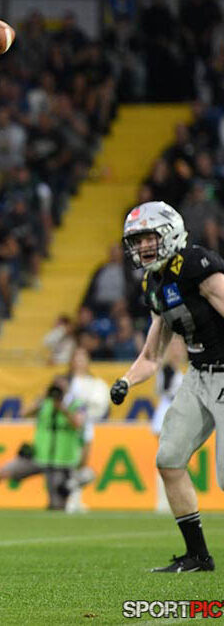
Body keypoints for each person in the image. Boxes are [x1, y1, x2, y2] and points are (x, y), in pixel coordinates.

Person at [110, 200, 224, 572]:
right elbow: (152, 354)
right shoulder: (154, 283)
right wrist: (126, 381)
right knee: (170, 458)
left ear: (170, 232)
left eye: (148, 238)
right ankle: (197, 556)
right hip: (199, 375)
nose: (142, 247)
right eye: (137, 240)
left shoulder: (195, 265)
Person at [0, 376, 86, 511]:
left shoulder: (75, 404)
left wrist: (62, 409)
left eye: (61, 387)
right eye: (55, 387)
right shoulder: (45, 403)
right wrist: (41, 400)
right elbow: (23, 413)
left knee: (57, 506)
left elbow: (78, 424)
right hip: (38, 455)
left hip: (61, 461)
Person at [61, 347, 109, 513]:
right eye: (77, 358)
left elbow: (100, 406)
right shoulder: (66, 381)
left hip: (86, 426)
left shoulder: (94, 383)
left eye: (83, 358)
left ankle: (77, 500)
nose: (80, 361)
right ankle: (67, 500)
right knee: (69, 462)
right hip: (68, 427)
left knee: (82, 463)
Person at [151, 338, 186, 514]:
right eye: (174, 346)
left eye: (179, 346)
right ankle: (162, 500)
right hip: (166, 414)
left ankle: (174, 499)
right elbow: (164, 390)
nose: (177, 350)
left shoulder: (182, 369)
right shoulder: (167, 370)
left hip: (177, 415)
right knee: (166, 459)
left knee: (176, 461)